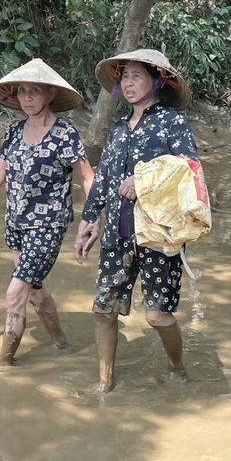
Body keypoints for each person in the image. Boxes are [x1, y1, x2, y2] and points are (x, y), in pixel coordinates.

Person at [0, 59, 95, 370]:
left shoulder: (64, 133)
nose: (26, 98)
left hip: (47, 226)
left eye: (34, 92)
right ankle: (62, 344)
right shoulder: (14, 131)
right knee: (35, 292)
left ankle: (3, 366)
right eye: (22, 91)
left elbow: (87, 178)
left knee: (15, 294)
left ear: (49, 95)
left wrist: (91, 219)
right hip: (16, 224)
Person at [73, 49, 198, 393]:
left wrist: (143, 182)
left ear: (158, 80)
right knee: (103, 310)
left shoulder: (172, 122)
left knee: (156, 316)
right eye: (123, 76)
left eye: (136, 76)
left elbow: (189, 171)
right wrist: (89, 219)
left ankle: (177, 368)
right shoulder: (117, 129)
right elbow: (103, 180)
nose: (127, 83)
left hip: (159, 233)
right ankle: (104, 385)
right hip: (117, 232)